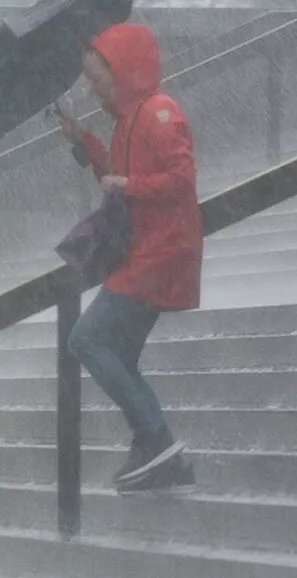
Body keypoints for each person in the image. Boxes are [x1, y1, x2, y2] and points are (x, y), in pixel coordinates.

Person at [57, 23, 201, 495]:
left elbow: (180, 179)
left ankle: (157, 440)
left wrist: (129, 186)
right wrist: (83, 140)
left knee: (86, 338)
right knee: (114, 352)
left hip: (160, 254)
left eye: (95, 73)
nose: (90, 83)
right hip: (145, 251)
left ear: (122, 68)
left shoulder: (160, 113)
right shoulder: (126, 121)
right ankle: (152, 446)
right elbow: (117, 175)